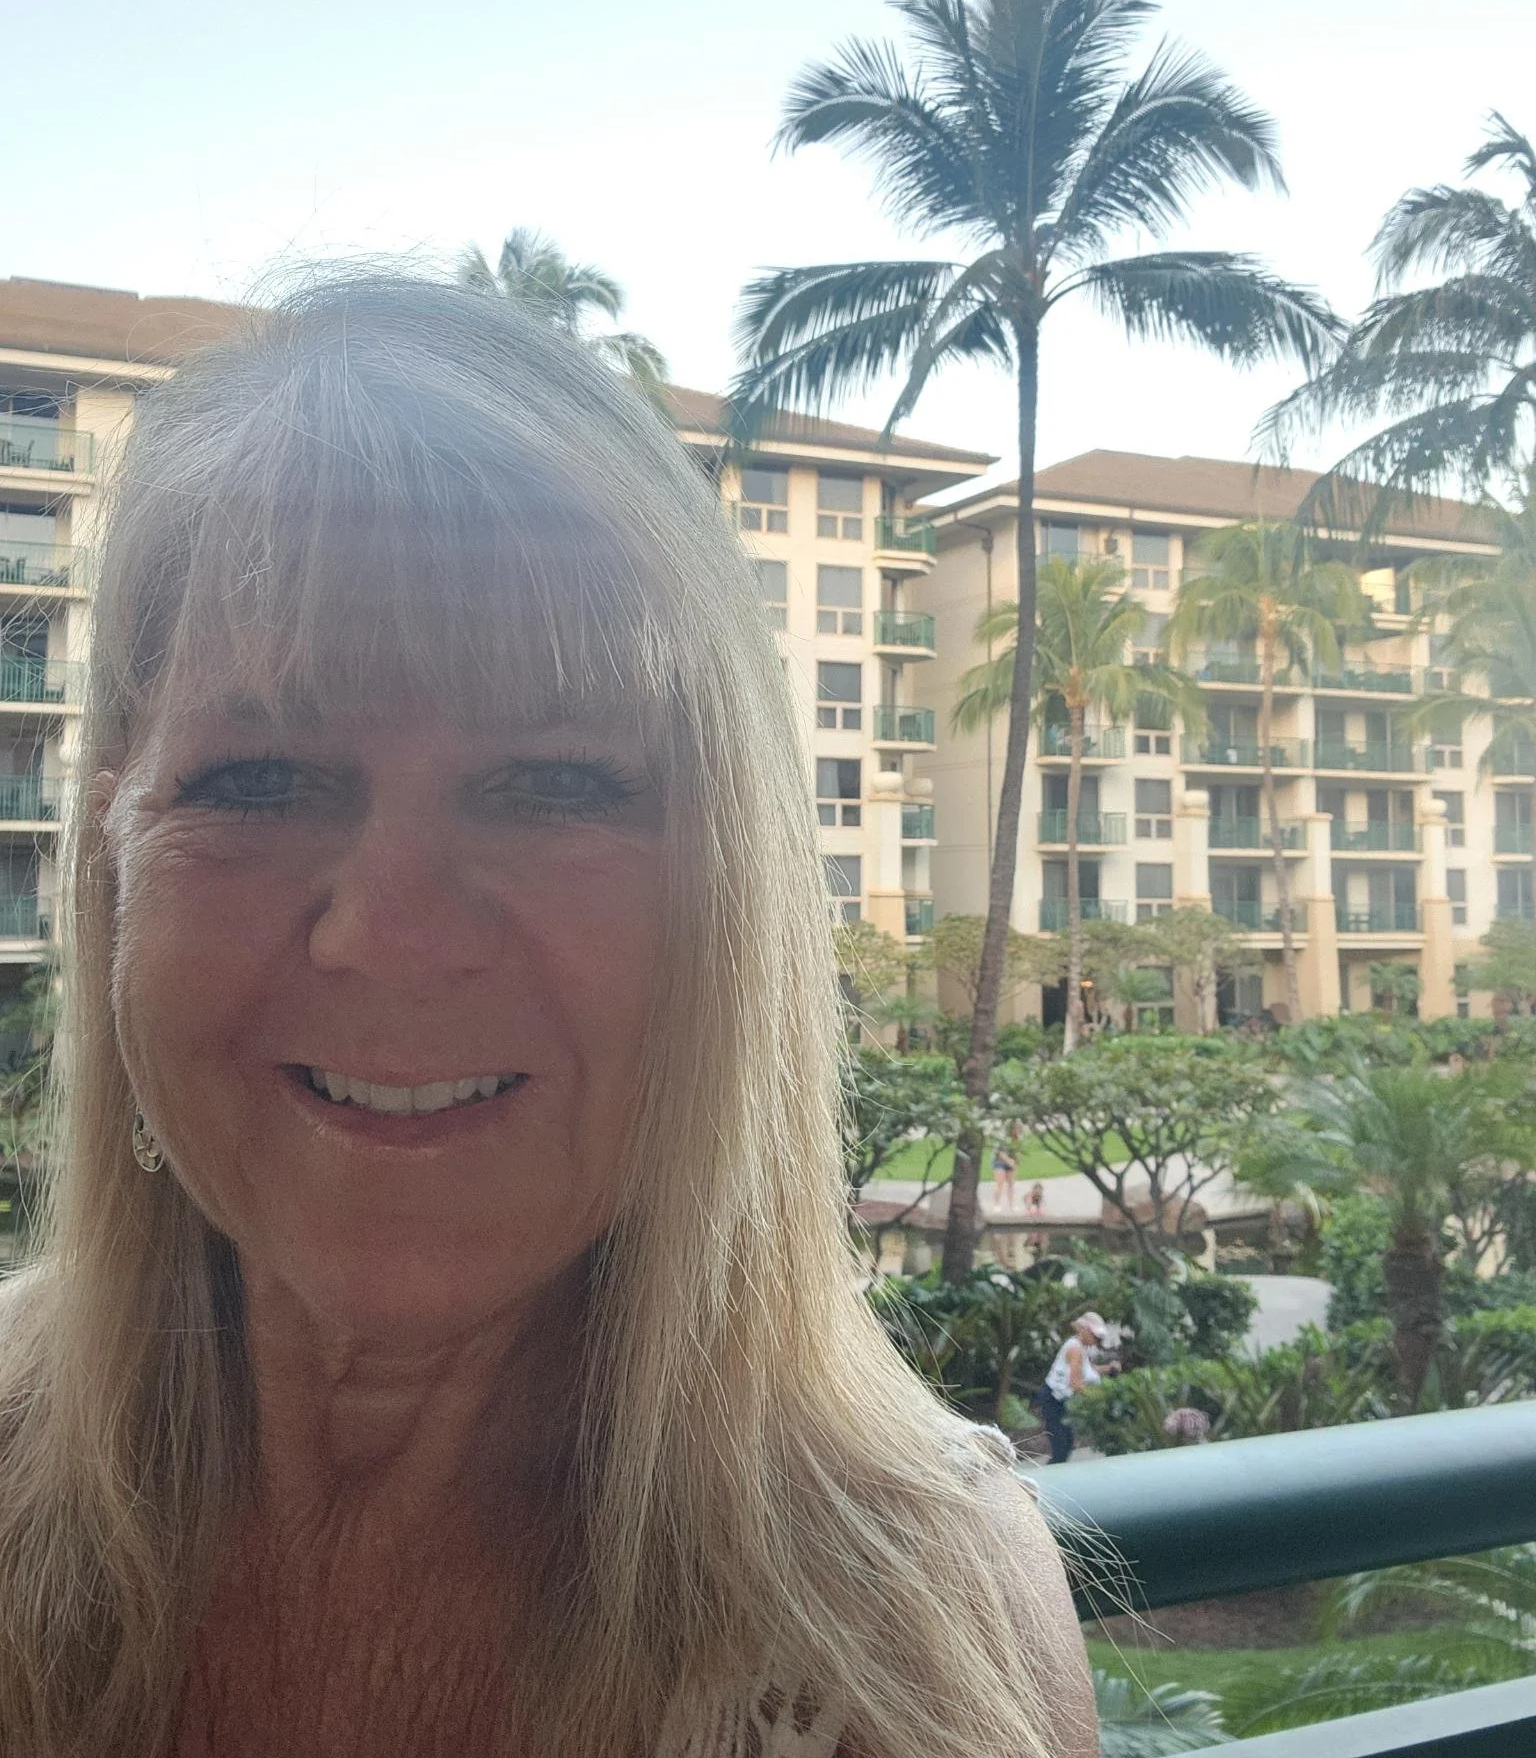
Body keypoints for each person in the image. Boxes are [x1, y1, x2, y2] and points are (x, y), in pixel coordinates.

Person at [0, 278, 1096, 1758]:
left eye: (558, 785)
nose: (393, 929)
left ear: (730, 915)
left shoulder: (899, 1646)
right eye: (256, 779)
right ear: (113, 868)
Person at [1038, 1313, 1118, 1465]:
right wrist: (1100, 1398)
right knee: (1061, 1446)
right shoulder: (1074, 1348)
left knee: (1067, 1443)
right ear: (1083, 1330)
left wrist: (1108, 1368)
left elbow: (1087, 1370)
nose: (1096, 1340)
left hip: (1061, 1400)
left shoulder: (1081, 1346)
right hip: (1054, 1399)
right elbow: (1076, 1383)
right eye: (1094, 1336)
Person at [990, 1141, 1017, 1210]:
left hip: (1011, 1160)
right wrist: (1010, 1162)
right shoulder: (1002, 1139)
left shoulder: (1016, 1139)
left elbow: (1016, 1152)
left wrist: (1014, 1163)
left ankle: (1011, 1205)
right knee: (1000, 1184)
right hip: (999, 1161)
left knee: (1011, 1184)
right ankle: (997, 1204)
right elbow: (1001, 1153)